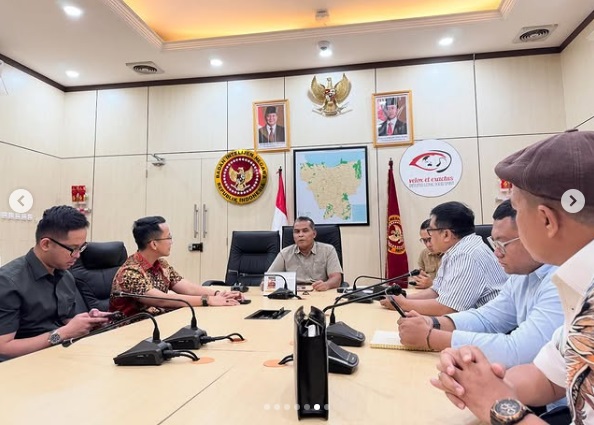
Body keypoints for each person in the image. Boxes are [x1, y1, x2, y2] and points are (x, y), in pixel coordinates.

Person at [431, 129, 594, 425]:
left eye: (517, 210)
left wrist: (497, 405)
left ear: (546, 219)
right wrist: (480, 383)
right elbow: (548, 376)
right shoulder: (578, 284)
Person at [397, 200, 563, 369]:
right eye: (494, 244)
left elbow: (518, 351)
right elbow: (487, 318)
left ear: (535, 234)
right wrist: (432, 323)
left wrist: (430, 337)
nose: (496, 253)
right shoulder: (521, 275)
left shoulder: (560, 281)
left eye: (502, 244)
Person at [0, 206, 110, 360]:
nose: (77, 255)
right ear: (46, 244)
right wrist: (62, 334)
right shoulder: (8, 282)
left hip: (61, 355)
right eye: (73, 249)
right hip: (23, 364)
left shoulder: (65, 276)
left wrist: (88, 322)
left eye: (81, 248)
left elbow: (66, 320)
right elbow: (4, 347)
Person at [380, 201, 507, 315]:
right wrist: (403, 298)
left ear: (446, 234)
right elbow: (437, 291)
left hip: (494, 327)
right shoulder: (454, 250)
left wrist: (402, 304)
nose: (430, 238)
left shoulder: (466, 254)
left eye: (431, 231)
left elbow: (450, 308)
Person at [110, 216, 242, 317]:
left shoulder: (161, 264)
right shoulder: (130, 272)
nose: (171, 242)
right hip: (128, 331)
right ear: (154, 244)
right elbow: (161, 300)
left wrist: (220, 294)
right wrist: (208, 300)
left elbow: (188, 288)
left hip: (156, 324)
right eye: (168, 238)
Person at [267, 216, 342, 291]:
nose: (300, 235)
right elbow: (269, 278)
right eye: (297, 231)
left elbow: (336, 278)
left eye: (305, 231)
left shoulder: (328, 250)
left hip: (319, 291)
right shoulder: (285, 253)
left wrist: (327, 285)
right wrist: (266, 283)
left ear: (314, 234)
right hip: (294, 293)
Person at [412, 219, 443, 289]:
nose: (428, 245)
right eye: (424, 240)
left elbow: (456, 287)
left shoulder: (452, 254)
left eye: (430, 239)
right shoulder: (424, 254)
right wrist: (418, 280)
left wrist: (432, 284)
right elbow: (419, 281)